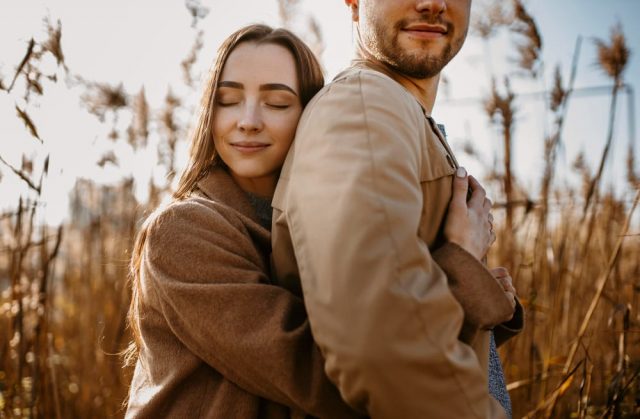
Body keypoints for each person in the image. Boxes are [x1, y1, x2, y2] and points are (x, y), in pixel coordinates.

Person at [271, 1, 523, 418]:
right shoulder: (364, 104)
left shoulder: (402, 114)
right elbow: (382, 347)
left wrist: (469, 282)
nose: (432, 4)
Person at [124, 24, 364, 419]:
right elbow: (321, 375)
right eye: (229, 100)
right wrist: (457, 281)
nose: (248, 120)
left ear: (311, 115)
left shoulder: (327, 225)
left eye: (277, 103)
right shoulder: (181, 231)